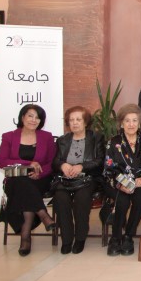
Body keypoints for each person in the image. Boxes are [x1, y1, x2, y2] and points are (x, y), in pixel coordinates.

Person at [0, 104, 57, 256]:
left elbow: (52, 162)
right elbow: (2, 161)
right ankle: (43, 214)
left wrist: (40, 174)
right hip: (15, 179)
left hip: (40, 179)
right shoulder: (9, 136)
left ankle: (25, 237)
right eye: (30, 116)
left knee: (24, 187)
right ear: (22, 117)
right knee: (21, 182)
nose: (33, 120)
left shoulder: (46, 137)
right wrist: (28, 164)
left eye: (37, 118)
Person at [52, 106, 105, 255]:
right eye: (71, 120)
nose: (75, 123)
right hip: (66, 179)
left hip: (88, 178)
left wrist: (82, 166)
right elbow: (55, 162)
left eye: (78, 119)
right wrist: (62, 165)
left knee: (82, 198)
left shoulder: (96, 138)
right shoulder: (62, 140)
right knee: (60, 198)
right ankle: (67, 239)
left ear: (85, 122)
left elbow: (100, 161)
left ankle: (80, 237)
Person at [102, 104, 141, 257]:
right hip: (118, 182)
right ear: (121, 123)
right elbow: (109, 168)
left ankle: (129, 236)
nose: (131, 124)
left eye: (134, 120)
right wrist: (122, 183)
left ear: (139, 123)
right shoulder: (113, 142)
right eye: (127, 121)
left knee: (140, 199)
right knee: (122, 200)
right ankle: (115, 237)